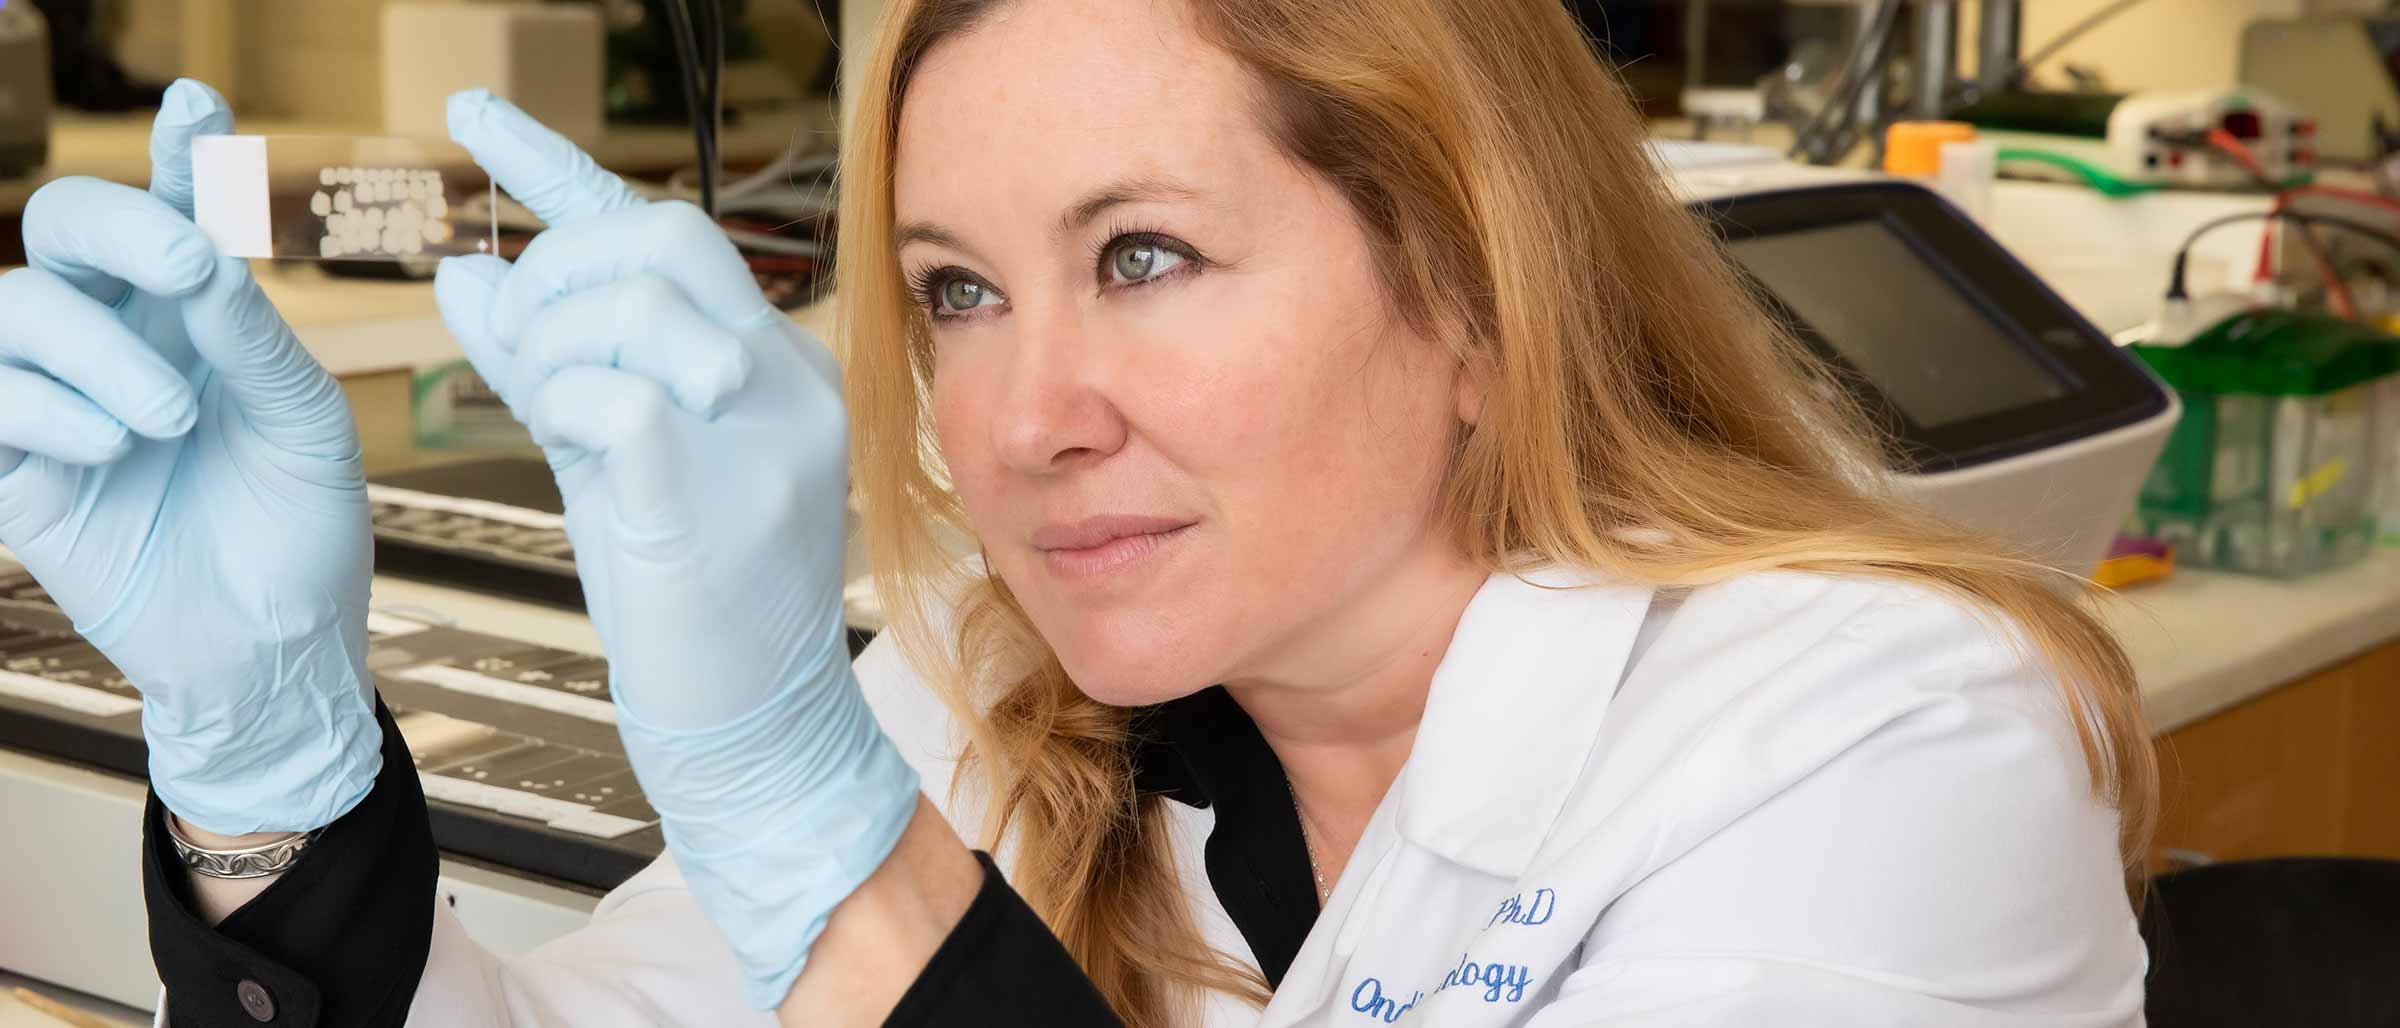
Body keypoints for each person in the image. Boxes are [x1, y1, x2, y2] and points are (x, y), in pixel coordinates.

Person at [0, 0, 2157, 1024]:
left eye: (1142, 254)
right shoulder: (990, 703)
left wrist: (807, 820)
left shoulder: (1886, 738)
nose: (1021, 417)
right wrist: (268, 774)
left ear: (1478, 292)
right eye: (957, 289)